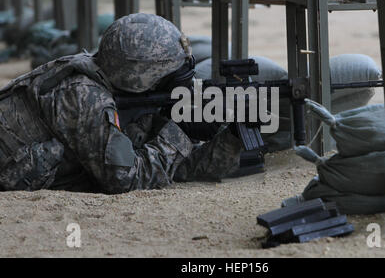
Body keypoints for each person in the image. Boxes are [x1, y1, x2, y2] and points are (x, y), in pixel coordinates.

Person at [0, 13, 243, 194]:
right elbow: (125, 179)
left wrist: (233, 135)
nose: (184, 83)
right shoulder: (85, 97)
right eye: (174, 77)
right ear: (144, 77)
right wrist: (180, 132)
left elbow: (174, 169)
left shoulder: (115, 83)